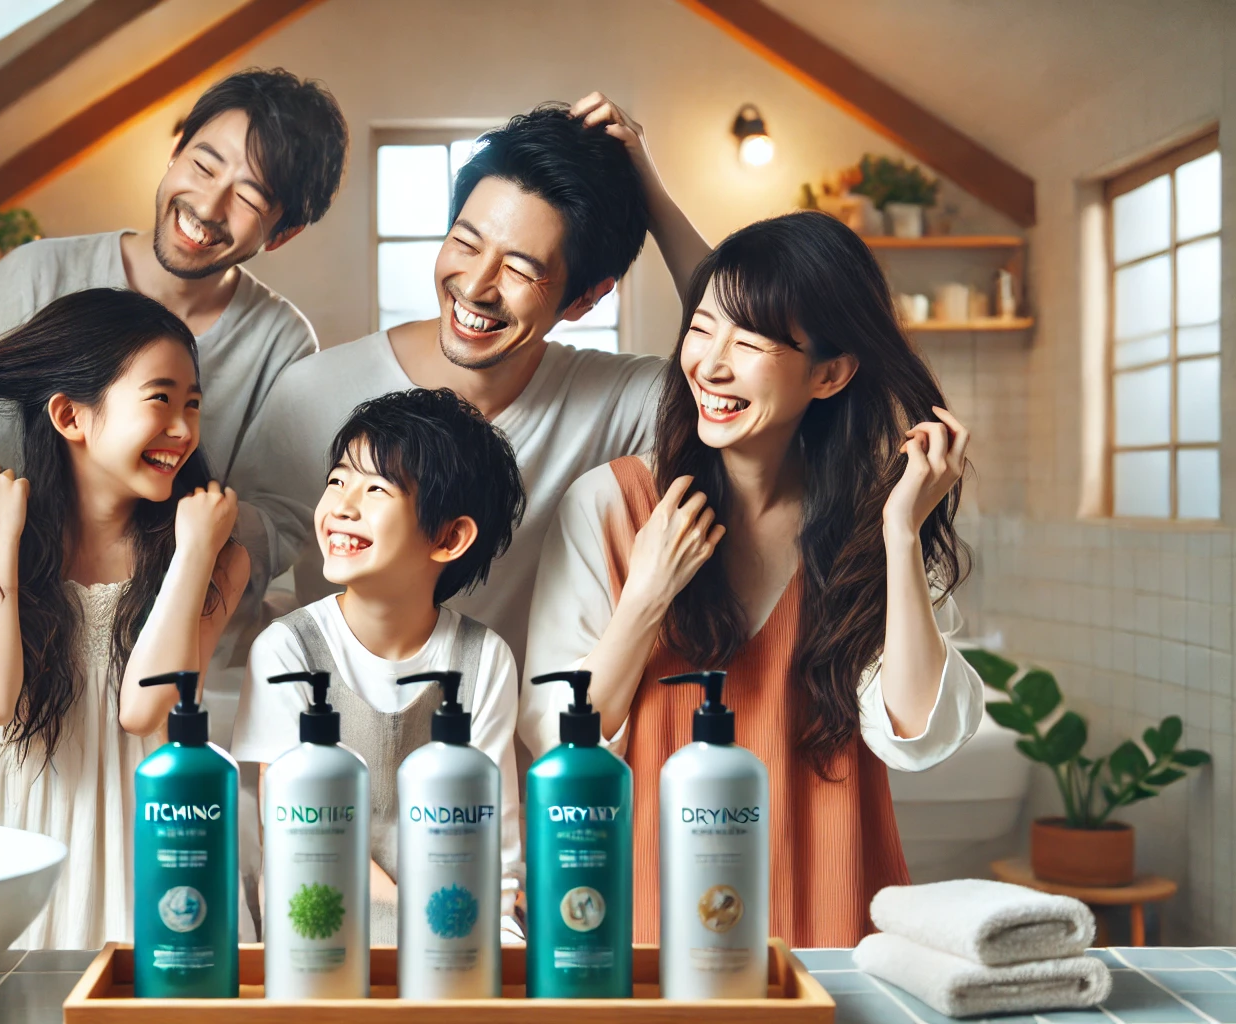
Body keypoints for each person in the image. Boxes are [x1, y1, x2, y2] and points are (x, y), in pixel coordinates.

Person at [521, 211, 986, 947]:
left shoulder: (872, 524)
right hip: (651, 919)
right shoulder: (609, 507)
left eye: (750, 341)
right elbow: (557, 741)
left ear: (830, 373)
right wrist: (645, 598)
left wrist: (899, 535)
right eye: (702, 330)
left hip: (828, 913)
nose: (710, 363)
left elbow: (914, 732)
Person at [0, 67, 347, 627]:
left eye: (248, 197)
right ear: (67, 414)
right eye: (202, 163)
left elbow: (277, 528)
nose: (209, 204)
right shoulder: (35, 278)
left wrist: (149, 535)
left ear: (283, 232)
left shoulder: (283, 342)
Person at [228, 93, 706, 670]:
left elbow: (753, 343)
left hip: (513, 747)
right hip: (340, 746)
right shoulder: (313, 392)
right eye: (465, 242)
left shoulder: (612, 400)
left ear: (585, 297)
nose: (476, 286)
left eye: (521, 269)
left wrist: (649, 194)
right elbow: (235, 578)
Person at [0, 288, 250, 949]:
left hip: (154, 840)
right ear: (70, 415)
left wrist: (195, 552)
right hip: (20, 836)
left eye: (192, 405)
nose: (182, 428)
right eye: (161, 399)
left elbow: (145, 711)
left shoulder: (215, 558)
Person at [231, 390, 528, 946]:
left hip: (458, 941)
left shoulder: (484, 659)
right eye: (338, 481)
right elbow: (306, 843)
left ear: (449, 538)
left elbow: (493, 844)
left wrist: (497, 936)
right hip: (319, 941)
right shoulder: (286, 652)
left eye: (375, 490)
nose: (342, 505)